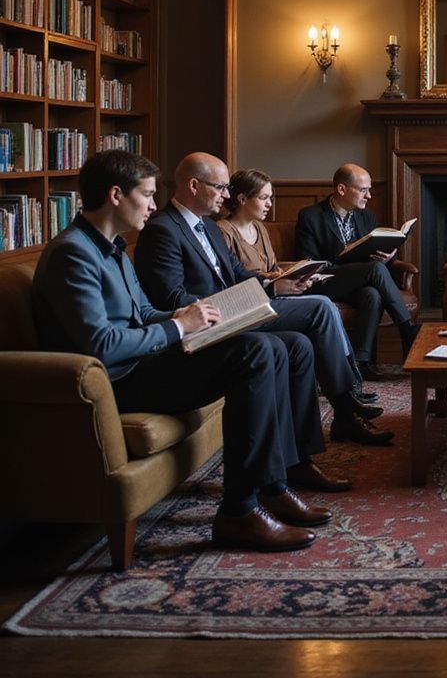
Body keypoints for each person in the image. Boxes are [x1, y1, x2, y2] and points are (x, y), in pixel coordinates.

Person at [31, 150, 348, 553]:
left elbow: (143, 312)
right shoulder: (73, 254)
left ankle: (273, 485)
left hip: (142, 363)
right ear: (116, 195)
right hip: (118, 380)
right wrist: (179, 325)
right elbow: (102, 346)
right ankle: (239, 511)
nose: (151, 204)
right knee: (254, 351)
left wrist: (181, 313)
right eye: (145, 195)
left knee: (275, 344)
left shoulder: (110, 247)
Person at [134, 152, 393, 447]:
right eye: (220, 187)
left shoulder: (206, 226)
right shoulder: (162, 229)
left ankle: (310, 446)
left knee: (301, 342)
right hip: (208, 321)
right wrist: (249, 297)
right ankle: (346, 407)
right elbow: (172, 297)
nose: (227, 194)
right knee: (320, 307)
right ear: (194, 186)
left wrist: (275, 285)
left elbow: (237, 272)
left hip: (238, 307)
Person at [293, 163, 420, 379]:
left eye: (369, 190)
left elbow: (371, 252)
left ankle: (360, 364)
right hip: (325, 280)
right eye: (363, 190)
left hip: (360, 280)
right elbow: (309, 261)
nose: (369, 195)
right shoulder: (310, 216)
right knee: (375, 270)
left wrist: (388, 255)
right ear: (341, 189)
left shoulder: (366, 217)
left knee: (371, 294)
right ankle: (407, 330)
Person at [216, 168, 282, 278]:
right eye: (263, 198)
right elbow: (230, 275)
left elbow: (273, 267)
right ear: (242, 199)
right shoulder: (223, 230)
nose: (269, 204)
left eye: (270, 198)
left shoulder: (259, 227)